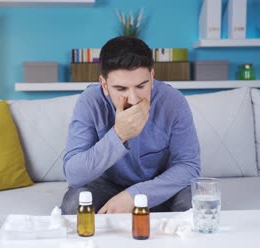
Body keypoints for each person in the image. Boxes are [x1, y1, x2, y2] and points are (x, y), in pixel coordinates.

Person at [61, 36, 200, 214]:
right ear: (104, 84)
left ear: (152, 76)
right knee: (74, 205)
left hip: (157, 186)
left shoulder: (173, 101)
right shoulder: (90, 102)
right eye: (121, 89)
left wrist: (134, 196)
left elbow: (189, 166)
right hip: (106, 186)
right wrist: (119, 135)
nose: (133, 99)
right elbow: (74, 176)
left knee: (193, 203)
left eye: (142, 86)